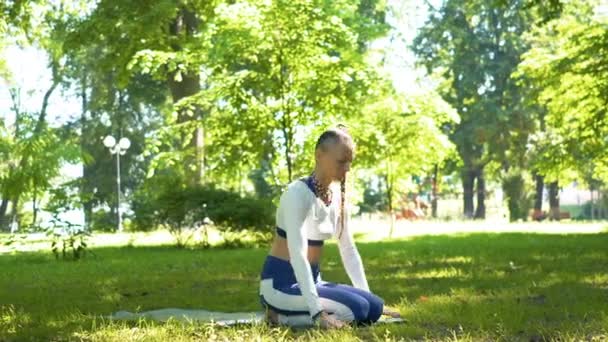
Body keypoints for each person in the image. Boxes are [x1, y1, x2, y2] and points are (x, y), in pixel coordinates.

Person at [258, 126, 400, 329]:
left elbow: (348, 250)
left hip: (313, 281)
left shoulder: (336, 198)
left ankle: (361, 305)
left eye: (350, 162)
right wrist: (317, 311)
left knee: (373, 306)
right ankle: (278, 317)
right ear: (319, 155)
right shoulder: (297, 193)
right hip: (279, 286)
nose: (348, 168)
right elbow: (298, 255)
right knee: (356, 310)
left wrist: (368, 297)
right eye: (342, 161)